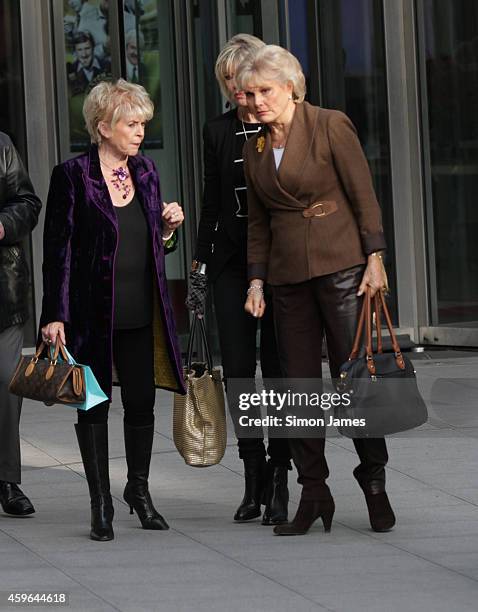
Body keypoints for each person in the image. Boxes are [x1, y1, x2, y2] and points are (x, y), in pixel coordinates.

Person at [236, 45, 396, 535]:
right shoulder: (255, 147)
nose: (257, 101)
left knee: (354, 379)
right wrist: (256, 280)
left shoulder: (330, 124)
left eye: (266, 90)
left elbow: (362, 193)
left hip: (342, 266)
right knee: (296, 387)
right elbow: (258, 223)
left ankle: (373, 482)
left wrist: (375, 257)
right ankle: (313, 490)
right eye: (250, 93)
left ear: (291, 87)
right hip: (286, 278)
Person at [39, 79, 186, 542]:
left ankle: (138, 492)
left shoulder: (146, 172)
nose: (139, 131)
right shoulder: (72, 175)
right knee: (94, 406)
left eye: (143, 123)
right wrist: (53, 315)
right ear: (103, 127)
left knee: (142, 403)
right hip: (90, 314)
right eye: (130, 123)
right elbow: (57, 252)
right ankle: (100, 501)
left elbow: (153, 246)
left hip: (142, 309)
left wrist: (166, 231)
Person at [187, 35, 292, 526]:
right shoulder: (216, 131)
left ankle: (280, 475)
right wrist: (200, 263)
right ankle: (252, 478)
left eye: (242, 80)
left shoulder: (282, 126)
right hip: (231, 264)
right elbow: (211, 202)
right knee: (238, 375)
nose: (237, 91)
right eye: (227, 82)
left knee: (279, 371)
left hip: (280, 263)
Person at [0, 132, 41, 516]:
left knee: (6, 381)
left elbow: (27, 202)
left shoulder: (1, 145)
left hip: (3, 292)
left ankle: (7, 479)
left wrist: (1, 225)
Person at [67, 31, 111, 96]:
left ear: (93, 48)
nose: (84, 54)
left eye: (87, 48)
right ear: (75, 52)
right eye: (79, 50)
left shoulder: (107, 66)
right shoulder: (70, 70)